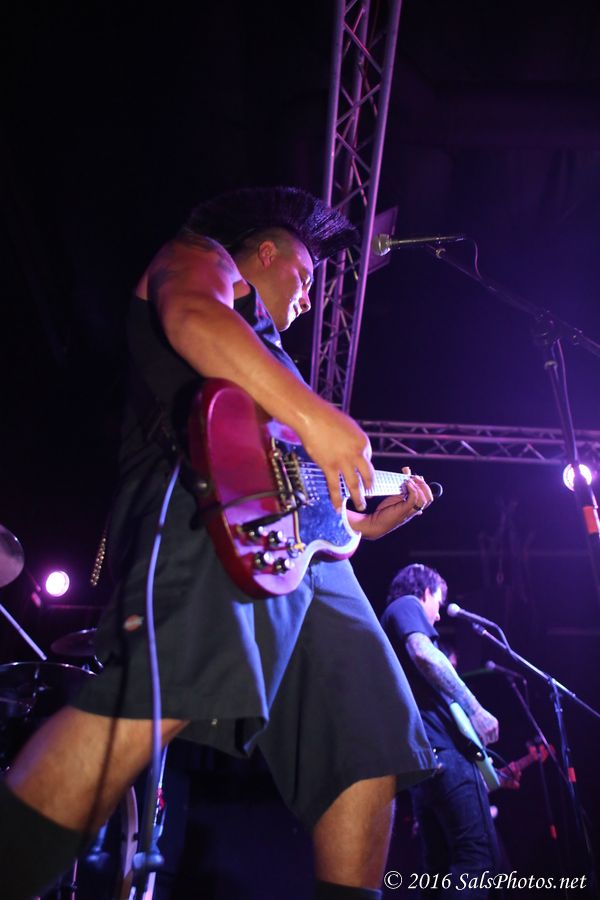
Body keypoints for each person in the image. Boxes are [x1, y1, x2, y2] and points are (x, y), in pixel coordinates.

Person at [1, 187, 439, 900]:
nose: (309, 299)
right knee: (168, 685)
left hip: (296, 555)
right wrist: (316, 417)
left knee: (372, 735)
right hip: (204, 500)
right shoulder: (201, 257)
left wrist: (361, 526)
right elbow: (191, 317)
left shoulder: (273, 364)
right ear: (264, 252)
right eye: (304, 276)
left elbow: (309, 503)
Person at [381, 563, 501, 898]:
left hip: (425, 764)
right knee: (477, 861)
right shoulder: (406, 605)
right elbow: (424, 653)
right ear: (425, 592)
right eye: (438, 602)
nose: (436, 616)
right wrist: (475, 708)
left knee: (438, 870)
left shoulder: (390, 625)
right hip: (444, 753)